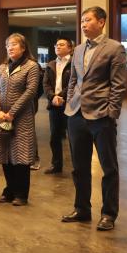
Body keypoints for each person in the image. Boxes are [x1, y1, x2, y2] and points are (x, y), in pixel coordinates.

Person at [61, 7, 127, 231]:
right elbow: (73, 80)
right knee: (79, 167)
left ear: (101, 22)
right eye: (81, 20)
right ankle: (82, 209)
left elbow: (118, 85)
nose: (83, 24)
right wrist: (70, 103)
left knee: (109, 167)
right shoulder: (79, 49)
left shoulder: (115, 48)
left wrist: (111, 113)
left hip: (101, 116)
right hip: (76, 115)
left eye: (87, 20)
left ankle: (108, 213)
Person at [0, 33, 40, 206]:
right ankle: (9, 190)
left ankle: (21, 194)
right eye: (8, 45)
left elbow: (30, 91)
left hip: (21, 118)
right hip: (1, 118)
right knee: (5, 154)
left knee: (21, 156)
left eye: (14, 44)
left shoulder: (31, 66)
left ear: (23, 48)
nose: (10, 48)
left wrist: (12, 112)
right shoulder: (2, 67)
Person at [42, 38, 73, 174]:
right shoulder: (51, 64)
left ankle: (77, 167)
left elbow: (74, 83)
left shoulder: (74, 63)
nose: (58, 47)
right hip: (54, 105)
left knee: (73, 137)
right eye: (56, 45)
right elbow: (46, 84)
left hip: (70, 104)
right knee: (54, 137)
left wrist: (61, 96)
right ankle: (56, 165)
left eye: (61, 45)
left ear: (70, 48)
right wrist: (53, 97)